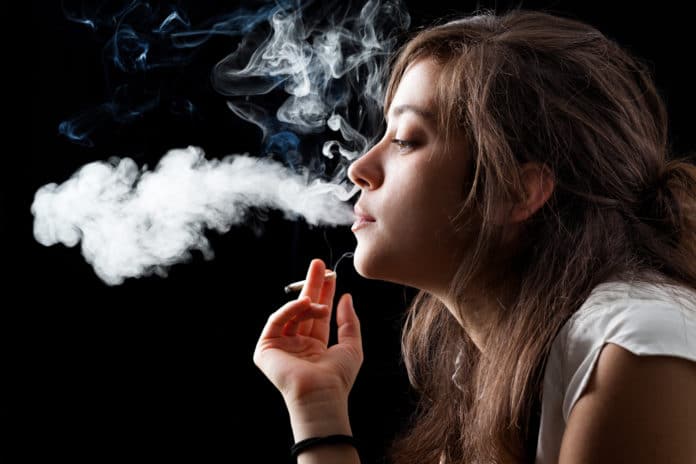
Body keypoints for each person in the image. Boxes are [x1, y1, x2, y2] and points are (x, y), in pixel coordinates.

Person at [253, 9, 696, 464]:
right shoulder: (486, 363)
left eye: (405, 139)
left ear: (516, 191)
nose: (358, 169)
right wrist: (317, 406)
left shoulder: (635, 348)